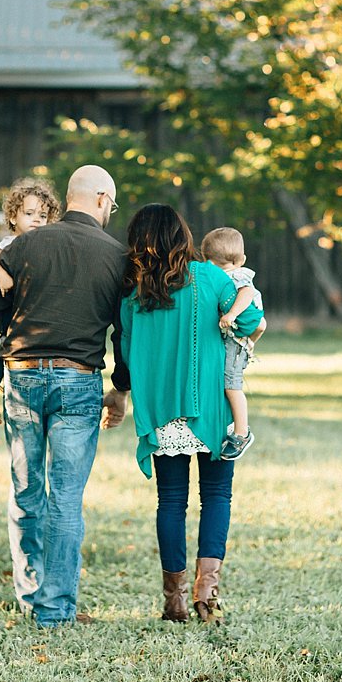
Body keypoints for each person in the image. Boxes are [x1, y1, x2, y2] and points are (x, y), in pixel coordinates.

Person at [0, 165, 130, 628]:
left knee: (26, 490)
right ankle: (54, 611)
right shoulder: (117, 255)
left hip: (23, 378)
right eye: (111, 205)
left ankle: (30, 596)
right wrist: (121, 390)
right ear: (98, 198)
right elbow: (123, 333)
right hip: (79, 381)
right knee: (65, 499)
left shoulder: (25, 245)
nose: (111, 212)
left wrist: (18, 324)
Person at [119, 204, 263, 624]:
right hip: (212, 409)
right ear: (184, 236)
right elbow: (252, 319)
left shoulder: (136, 293)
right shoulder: (212, 277)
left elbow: (126, 352)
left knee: (171, 502)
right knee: (216, 496)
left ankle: (174, 599)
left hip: (162, 411)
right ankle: (207, 593)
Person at [0, 176, 61, 424]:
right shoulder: (12, 242)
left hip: (27, 309)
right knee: (8, 345)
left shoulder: (45, 245)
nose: (36, 220)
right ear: (13, 217)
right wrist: (3, 277)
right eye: (29, 213)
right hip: (10, 305)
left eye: (42, 216)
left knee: (13, 347)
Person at [201, 227, 267, 460]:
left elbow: (247, 294)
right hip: (238, 338)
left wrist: (231, 315)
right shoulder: (226, 275)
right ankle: (249, 349)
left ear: (206, 259)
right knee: (226, 381)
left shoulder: (238, 277)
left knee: (232, 385)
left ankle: (241, 433)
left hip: (236, 338)